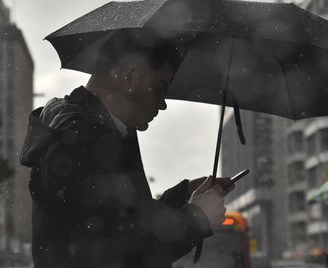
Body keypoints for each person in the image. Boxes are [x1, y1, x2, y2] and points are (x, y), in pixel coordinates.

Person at [20, 30, 233, 268]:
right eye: (160, 87)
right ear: (130, 76)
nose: (163, 104)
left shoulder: (102, 131)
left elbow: (127, 222)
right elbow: (114, 254)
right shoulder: (79, 138)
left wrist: (182, 195)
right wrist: (196, 219)